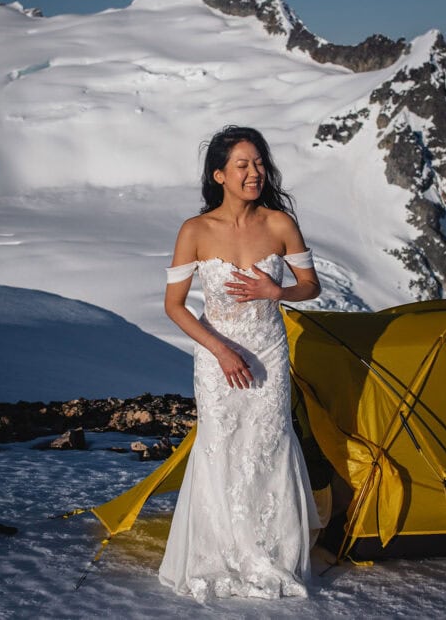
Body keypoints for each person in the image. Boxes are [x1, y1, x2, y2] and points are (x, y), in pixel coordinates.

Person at [158, 125, 322, 601]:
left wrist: (279, 291)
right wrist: (222, 350)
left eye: (258, 163)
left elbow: (311, 287)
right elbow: (174, 306)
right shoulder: (195, 230)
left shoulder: (279, 224)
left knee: (268, 447)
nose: (254, 173)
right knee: (221, 447)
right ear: (220, 175)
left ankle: (270, 554)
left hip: (269, 351)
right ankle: (218, 553)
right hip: (217, 355)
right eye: (242, 165)